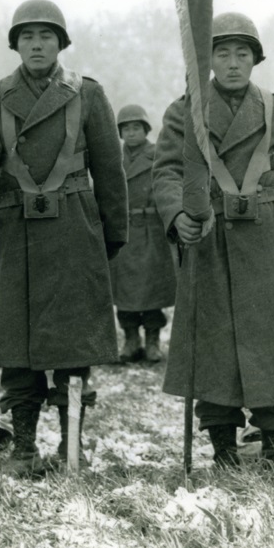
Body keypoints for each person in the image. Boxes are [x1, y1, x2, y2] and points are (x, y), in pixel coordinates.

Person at [0, 0, 127, 475]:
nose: (36, 45)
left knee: (73, 345)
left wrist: (111, 235)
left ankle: (71, 447)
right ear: (14, 45)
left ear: (61, 44)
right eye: (27, 37)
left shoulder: (87, 93)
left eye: (46, 36)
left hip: (74, 226)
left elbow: (110, 171)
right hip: (16, 229)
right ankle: (25, 448)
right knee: (18, 346)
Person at [153, 12, 274, 466]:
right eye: (222, 53)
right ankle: (224, 453)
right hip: (210, 241)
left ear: (255, 59)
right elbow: (167, 172)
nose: (232, 63)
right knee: (215, 352)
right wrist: (178, 215)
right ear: (207, 60)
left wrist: (271, 212)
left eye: (242, 53)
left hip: (269, 244)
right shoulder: (184, 110)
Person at [109, 103, 178, 364]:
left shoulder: (158, 155)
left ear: (146, 129)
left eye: (136, 127)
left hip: (151, 230)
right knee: (124, 294)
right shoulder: (114, 158)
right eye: (126, 128)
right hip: (123, 232)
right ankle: (130, 339)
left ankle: (151, 341)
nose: (131, 133)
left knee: (151, 290)